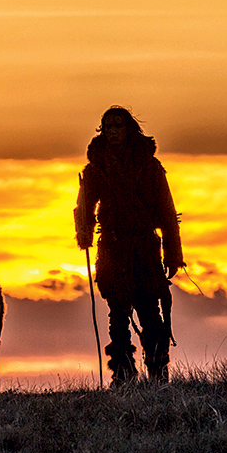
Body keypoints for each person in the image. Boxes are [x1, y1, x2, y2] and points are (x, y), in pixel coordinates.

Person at [75, 106, 184, 385]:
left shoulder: (150, 166)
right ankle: (123, 376)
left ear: (129, 129)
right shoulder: (96, 167)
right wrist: (84, 232)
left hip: (145, 248)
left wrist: (173, 253)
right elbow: (84, 207)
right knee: (118, 316)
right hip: (112, 249)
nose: (112, 131)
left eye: (117, 126)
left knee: (150, 313)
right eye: (107, 126)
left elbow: (167, 211)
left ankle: (158, 374)